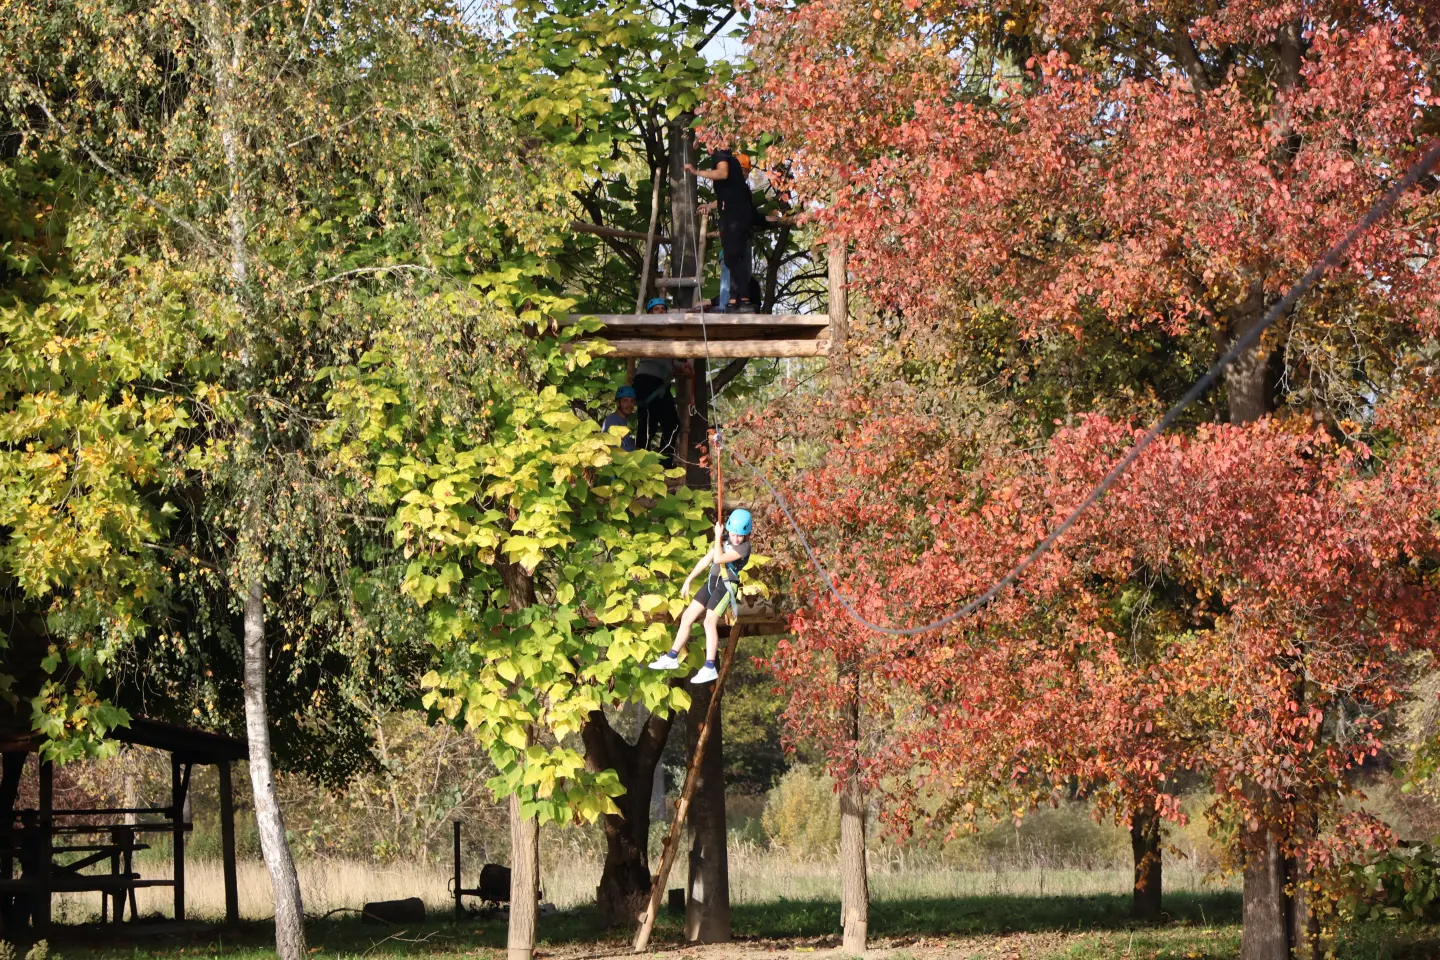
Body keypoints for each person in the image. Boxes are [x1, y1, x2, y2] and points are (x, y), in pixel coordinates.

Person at [647, 509, 754, 684]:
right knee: (687, 616)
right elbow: (707, 560)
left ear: (746, 535)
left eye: (740, 536)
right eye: (733, 535)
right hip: (711, 583)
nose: (736, 539)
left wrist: (718, 536)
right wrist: (688, 580)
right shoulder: (724, 540)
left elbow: (719, 559)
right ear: (729, 531)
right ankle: (672, 657)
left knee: (708, 621)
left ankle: (710, 667)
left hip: (726, 586)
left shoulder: (744, 547)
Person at [687, 149, 759, 313]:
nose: (744, 174)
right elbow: (723, 196)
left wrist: (762, 219)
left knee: (740, 267)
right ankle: (731, 303)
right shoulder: (732, 184)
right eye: (742, 170)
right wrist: (709, 205)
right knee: (731, 263)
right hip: (731, 231)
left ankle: (739, 302)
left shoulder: (743, 188)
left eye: (747, 171)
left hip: (740, 231)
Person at [602, 385, 637, 451]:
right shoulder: (612, 421)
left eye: (632, 401)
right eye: (626, 400)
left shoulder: (624, 421)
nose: (629, 404)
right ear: (618, 403)